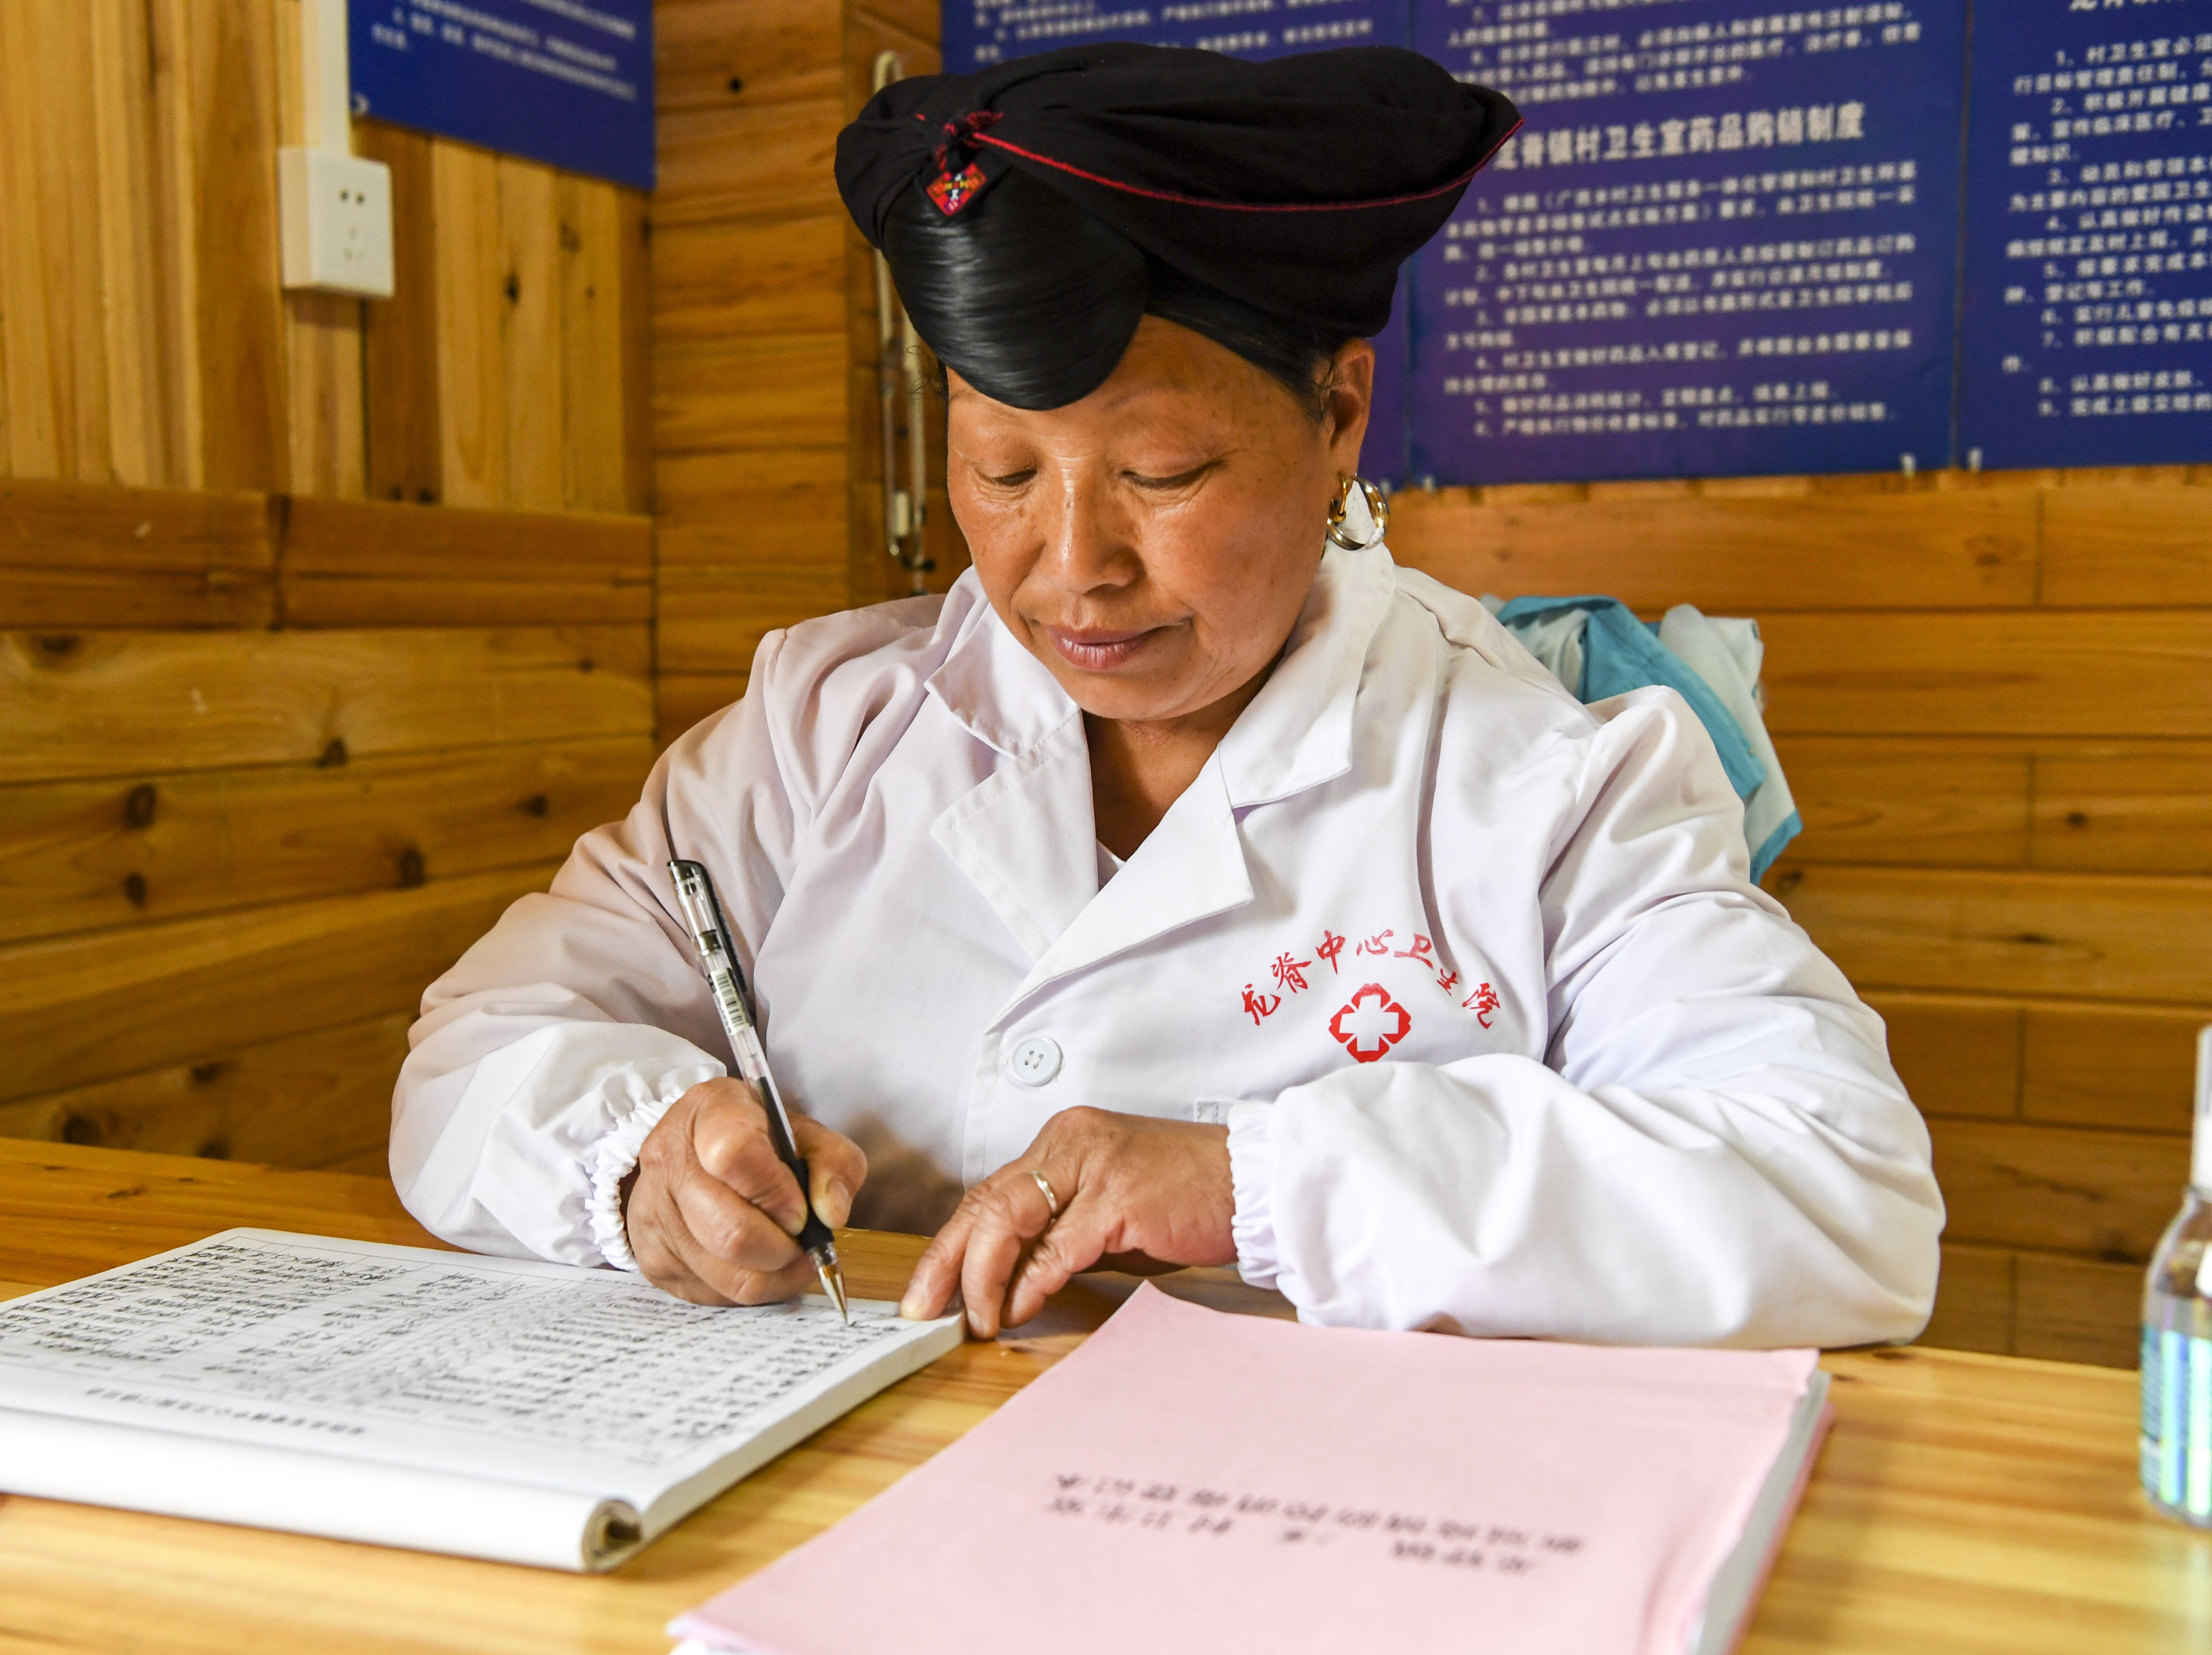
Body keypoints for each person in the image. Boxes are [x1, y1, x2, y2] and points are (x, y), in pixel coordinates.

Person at [391, 44, 1943, 1348]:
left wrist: (1259, 1181)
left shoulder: (1545, 780)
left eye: (1162, 474)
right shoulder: (819, 732)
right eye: (1001, 471)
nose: (1073, 569)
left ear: (1339, 414)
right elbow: (470, 1053)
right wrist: (640, 1152)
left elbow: (1839, 1188)